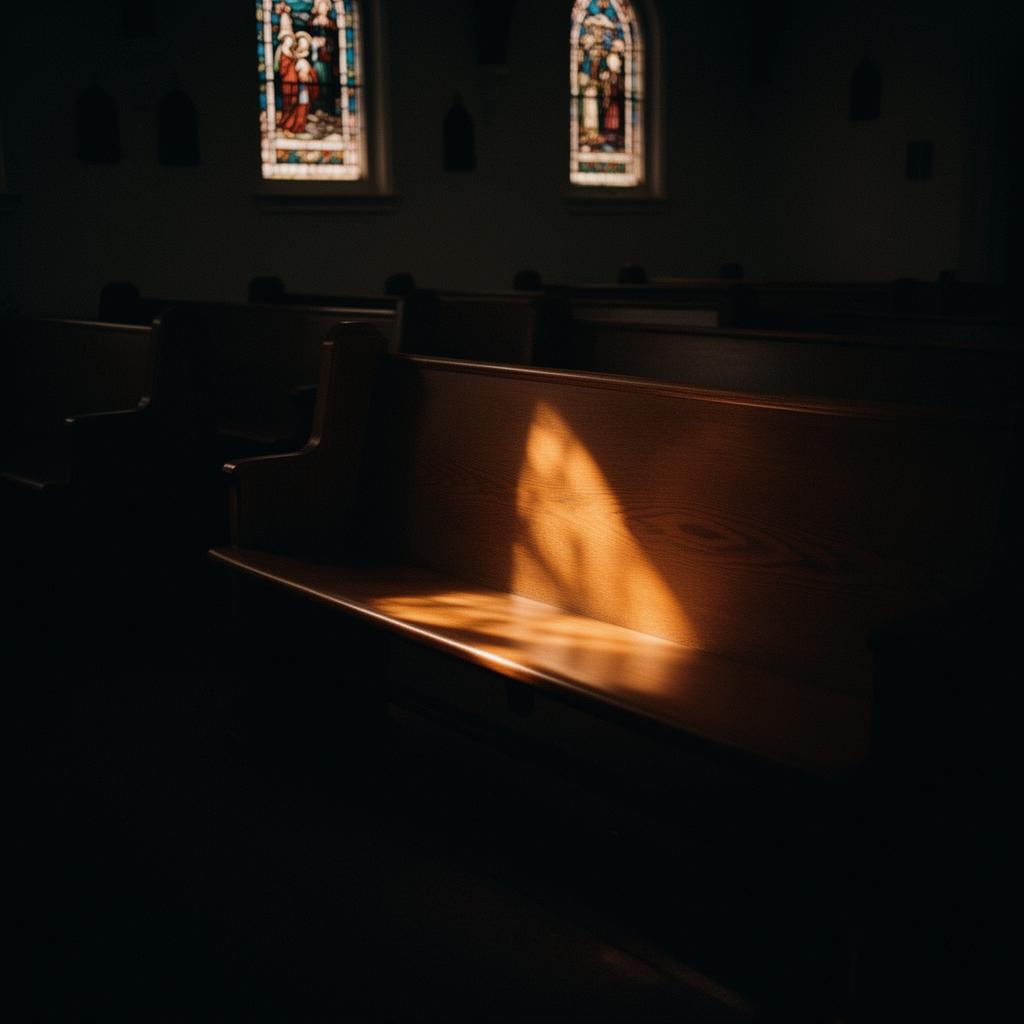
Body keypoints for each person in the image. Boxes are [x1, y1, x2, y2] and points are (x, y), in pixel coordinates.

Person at [280, 34, 319, 134]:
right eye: (300, 46)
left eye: (304, 47)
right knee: (298, 107)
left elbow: (308, 76)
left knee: (303, 106)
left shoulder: (303, 62)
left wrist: (309, 77)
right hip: (297, 89)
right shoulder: (295, 62)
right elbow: (298, 76)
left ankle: (299, 127)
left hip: (303, 90)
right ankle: (295, 127)